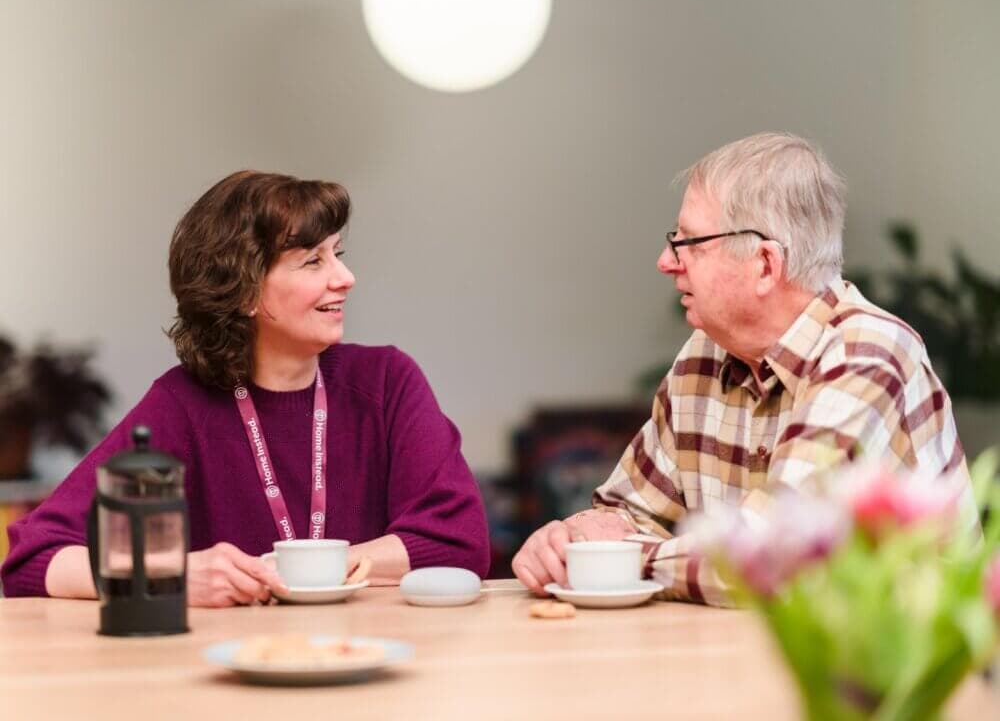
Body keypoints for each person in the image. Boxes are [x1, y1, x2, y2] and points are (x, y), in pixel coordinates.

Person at [512, 132, 977, 606]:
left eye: (689, 242)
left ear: (765, 265)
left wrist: (617, 558)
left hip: (891, 653)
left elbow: (774, 557)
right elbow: (630, 512)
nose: (666, 261)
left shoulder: (868, 353)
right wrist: (570, 539)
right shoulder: (703, 355)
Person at [1, 171, 490, 606]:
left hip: (370, 659)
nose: (346, 278)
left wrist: (314, 569)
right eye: (313, 261)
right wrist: (169, 576)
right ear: (246, 290)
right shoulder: (181, 405)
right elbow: (32, 557)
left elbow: (458, 541)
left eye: (337, 255)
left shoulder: (386, 381)